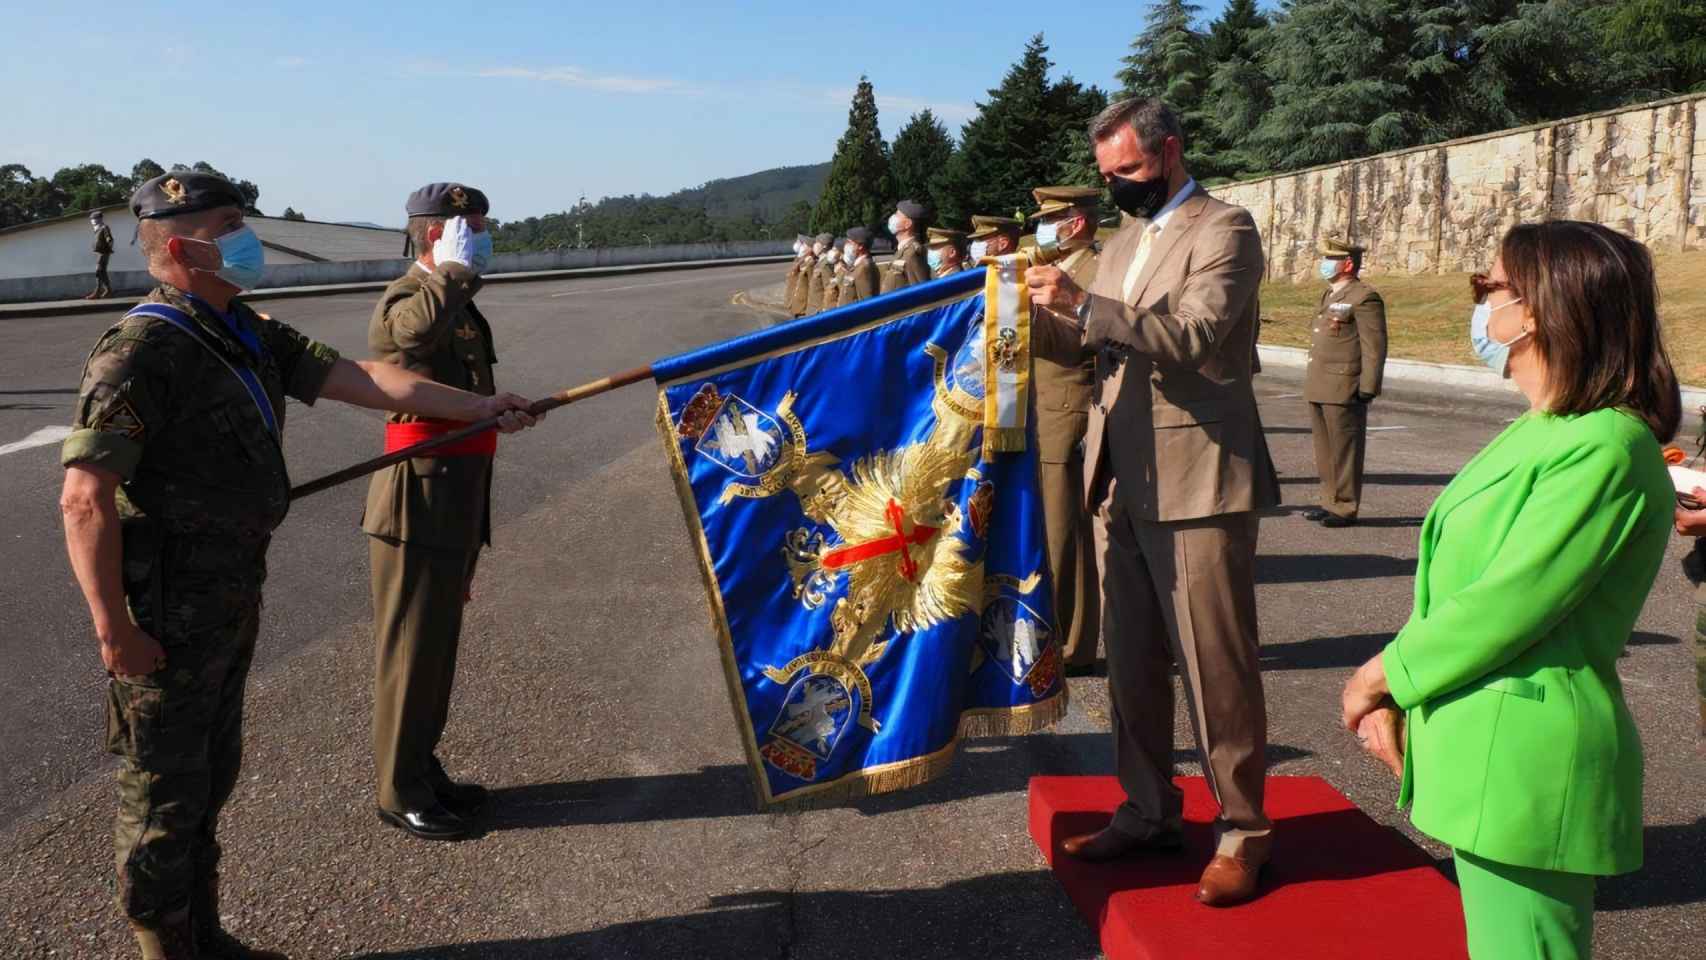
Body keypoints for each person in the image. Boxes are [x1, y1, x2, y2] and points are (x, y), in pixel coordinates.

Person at [59, 172, 539, 959]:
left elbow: (367, 379)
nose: (247, 235)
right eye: (229, 223)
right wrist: (113, 630)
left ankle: (204, 938)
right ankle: (167, 948)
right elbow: (85, 498)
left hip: (228, 594)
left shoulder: (244, 328)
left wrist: (480, 406)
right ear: (182, 245)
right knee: (161, 800)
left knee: (211, 778)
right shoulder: (143, 347)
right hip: (163, 613)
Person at [1342, 220, 1680, 959]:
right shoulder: (1549, 427)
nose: (1478, 307)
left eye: (1483, 287)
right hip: (1485, 743)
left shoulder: (1606, 445)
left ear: (1536, 309)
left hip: (1528, 757)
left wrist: (1382, 678)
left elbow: (1509, 600)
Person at [1026, 97, 1280, 907]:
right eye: (1108, 175)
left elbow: (1196, 337)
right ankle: (1146, 809)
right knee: (1131, 666)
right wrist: (1027, 315)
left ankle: (1242, 830)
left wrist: (1084, 305)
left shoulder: (1224, 229)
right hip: (1120, 480)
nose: (1118, 189)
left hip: (1198, 477)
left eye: (1129, 171)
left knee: (1216, 667)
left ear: (1171, 150)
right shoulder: (1127, 241)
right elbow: (1085, 344)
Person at [363, 182, 530, 842]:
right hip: (417, 500)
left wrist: (500, 409)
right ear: (438, 234)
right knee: (410, 651)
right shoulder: (411, 296)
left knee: (435, 651)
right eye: (474, 228)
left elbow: (457, 393)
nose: (484, 237)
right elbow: (409, 338)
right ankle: (398, 790)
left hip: (456, 491)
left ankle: (422, 768)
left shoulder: (457, 304)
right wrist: (454, 270)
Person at [1028, 185, 1103, 674]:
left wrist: (1025, 317)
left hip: (1069, 410)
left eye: (1052, 219)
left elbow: (1085, 341)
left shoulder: (1092, 270)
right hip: (1043, 410)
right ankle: (1051, 635)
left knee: (1067, 537)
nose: (1043, 228)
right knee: (1047, 533)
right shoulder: (1058, 267)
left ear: (1075, 223)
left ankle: (1071, 647)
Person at [1303, 237, 1388, 528]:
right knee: (1325, 449)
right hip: (1320, 383)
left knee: (1345, 449)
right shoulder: (1330, 294)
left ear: (1348, 264)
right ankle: (1329, 501)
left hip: (1344, 384)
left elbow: (1374, 346)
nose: (1324, 264)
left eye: (1330, 259)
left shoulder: (1364, 296)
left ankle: (1345, 506)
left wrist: (1369, 385)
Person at [880, 200, 930, 294]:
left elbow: (921, 293)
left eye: (897, 215)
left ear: (908, 224)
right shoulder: (902, 251)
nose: (893, 217)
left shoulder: (912, 254)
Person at [841, 227, 880, 305]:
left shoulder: (865, 268)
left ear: (860, 246)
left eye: (850, 242)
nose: (846, 245)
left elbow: (866, 302)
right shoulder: (857, 265)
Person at [86, 210, 115, 300]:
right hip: (99, 253)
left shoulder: (104, 227)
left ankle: (98, 292)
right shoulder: (97, 229)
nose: (92, 221)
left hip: (103, 253)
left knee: (99, 272)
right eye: (92, 219)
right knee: (102, 272)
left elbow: (109, 239)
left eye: (94, 219)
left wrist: (108, 248)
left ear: (99, 219)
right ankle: (108, 291)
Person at [786, 234, 816, 317]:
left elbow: (811, 285)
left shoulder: (811, 263)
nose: (802, 247)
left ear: (810, 248)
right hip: (796, 303)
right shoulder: (801, 260)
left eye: (804, 245)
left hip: (803, 307)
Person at [805, 233, 833, 315]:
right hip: (813, 308)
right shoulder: (820, 262)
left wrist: (825, 309)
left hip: (818, 310)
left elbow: (828, 289)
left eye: (817, 243)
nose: (814, 246)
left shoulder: (826, 264)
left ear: (824, 246)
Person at [783, 235, 809, 317]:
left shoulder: (806, 261)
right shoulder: (798, 258)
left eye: (799, 242)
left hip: (801, 303)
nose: (796, 244)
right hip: (794, 300)